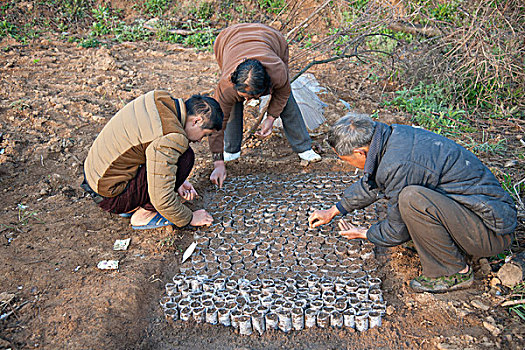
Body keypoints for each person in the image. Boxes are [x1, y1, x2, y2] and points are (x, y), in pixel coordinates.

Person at [308, 114, 517, 293]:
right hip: (474, 218)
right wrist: (334, 210)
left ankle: (453, 272)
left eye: (346, 160)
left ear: (360, 152)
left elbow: (396, 230)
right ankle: (441, 247)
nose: (349, 164)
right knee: (411, 199)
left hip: (489, 233)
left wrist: (364, 233)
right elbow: (373, 182)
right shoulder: (391, 138)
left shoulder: (399, 164)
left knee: (411, 199)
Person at [81, 90, 223, 230]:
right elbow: (161, 198)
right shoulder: (171, 137)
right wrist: (190, 218)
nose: (199, 140)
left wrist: (176, 179)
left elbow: (148, 149)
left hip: (96, 178)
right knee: (186, 157)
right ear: (196, 121)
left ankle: (133, 202)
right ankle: (143, 214)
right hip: (110, 197)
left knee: (178, 156)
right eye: (204, 135)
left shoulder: (160, 99)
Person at [209, 23, 322, 188]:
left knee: (288, 102)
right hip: (228, 40)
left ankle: (304, 148)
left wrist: (270, 118)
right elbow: (217, 125)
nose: (248, 101)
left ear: (265, 88)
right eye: (244, 96)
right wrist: (218, 162)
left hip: (270, 37)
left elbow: (282, 94)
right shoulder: (226, 86)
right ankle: (231, 152)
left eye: (252, 97)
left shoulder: (278, 72)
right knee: (231, 107)